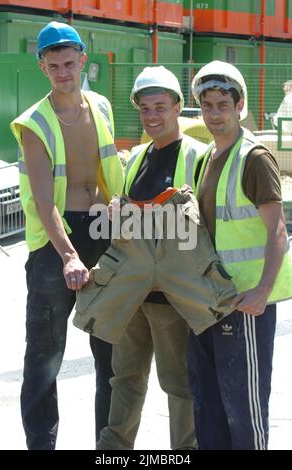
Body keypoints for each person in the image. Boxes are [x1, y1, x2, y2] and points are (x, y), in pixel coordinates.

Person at [10, 21, 124, 450]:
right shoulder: (34, 123)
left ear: (83, 62)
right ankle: (42, 444)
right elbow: (44, 202)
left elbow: (111, 173)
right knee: (44, 356)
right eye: (53, 65)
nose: (63, 72)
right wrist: (69, 255)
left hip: (102, 231)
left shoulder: (102, 107)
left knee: (111, 354)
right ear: (42, 67)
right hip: (55, 245)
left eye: (69, 63)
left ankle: (108, 448)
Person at [96, 66, 207, 450]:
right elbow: (127, 221)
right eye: (145, 109)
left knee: (178, 386)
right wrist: (117, 211)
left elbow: (202, 225)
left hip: (172, 299)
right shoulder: (138, 156)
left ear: (178, 107)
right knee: (124, 380)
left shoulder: (198, 155)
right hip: (133, 296)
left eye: (160, 107)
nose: (152, 117)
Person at [189, 60, 292, 450]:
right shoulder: (208, 158)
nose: (214, 114)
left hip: (245, 304)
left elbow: (277, 230)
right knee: (210, 408)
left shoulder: (254, 158)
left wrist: (263, 290)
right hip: (210, 301)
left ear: (239, 106)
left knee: (244, 413)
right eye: (207, 105)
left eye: (222, 105)